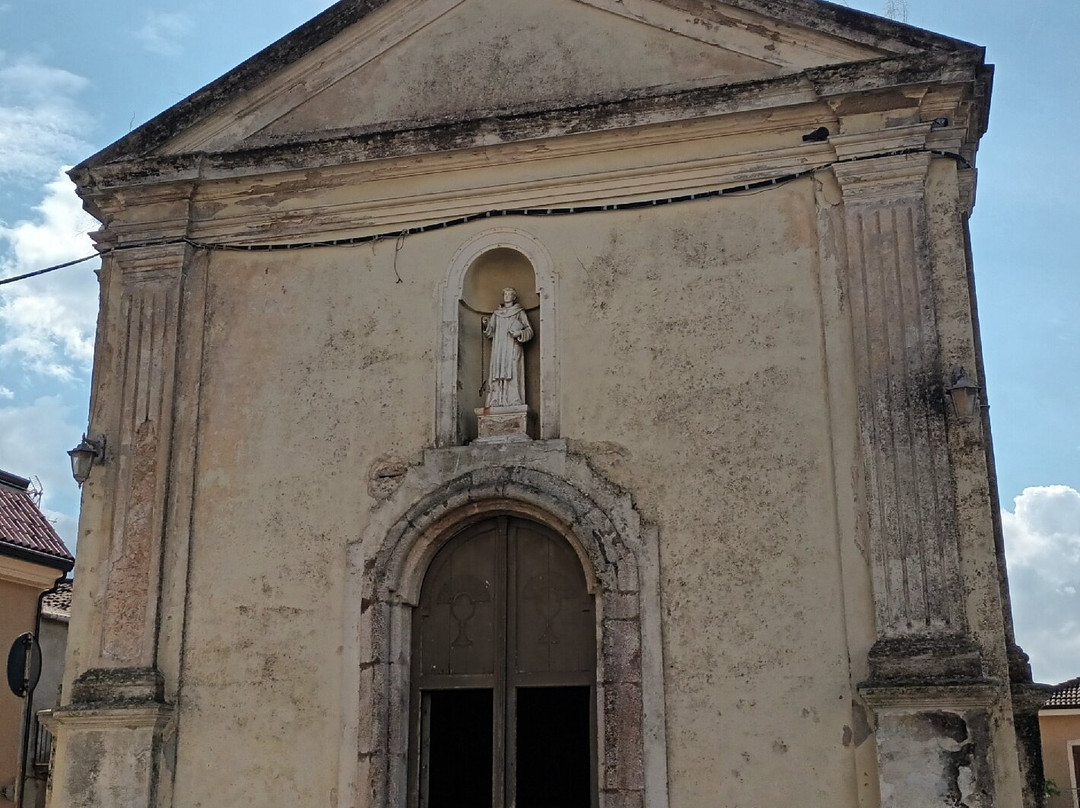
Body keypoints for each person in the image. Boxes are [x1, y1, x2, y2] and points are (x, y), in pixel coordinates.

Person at [481, 287, 533, 408]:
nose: (507, 296)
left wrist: (519, 333)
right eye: (505, 294)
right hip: (499, 348)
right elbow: (490, 332)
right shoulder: (496, 314)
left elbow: (529, 330)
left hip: (513, 346)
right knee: (497, 372)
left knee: (513, 371)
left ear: (514, 297)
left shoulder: (519, 312)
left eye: (509, 294)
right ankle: (496, 399)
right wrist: (485, 325)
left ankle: (514, 399)